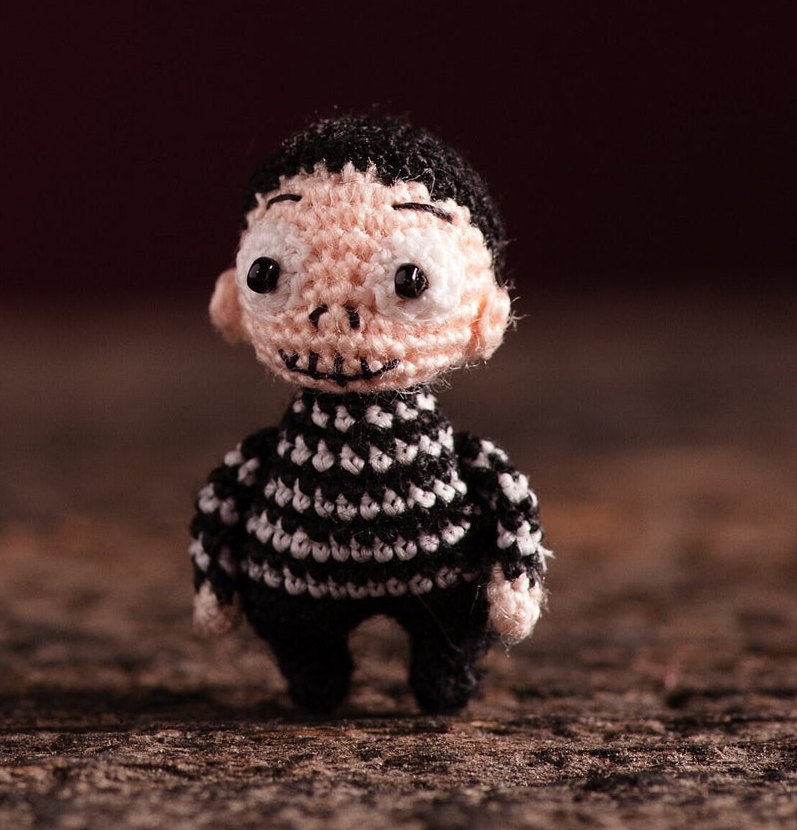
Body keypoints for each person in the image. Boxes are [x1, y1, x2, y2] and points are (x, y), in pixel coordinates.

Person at [191, 113, 545, 715]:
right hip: (298, 578)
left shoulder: (458, 460)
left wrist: (515, 576)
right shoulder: (268, 457)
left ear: (484, 313)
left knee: (450, 635)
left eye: (411, 281)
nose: (334, 320)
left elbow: (506, 495)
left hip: (437, 570)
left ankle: (443, 664)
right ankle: (315, 670)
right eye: (270, 274)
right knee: (301, 644)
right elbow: (221, 503)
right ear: (233, 300)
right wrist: (216, 584)